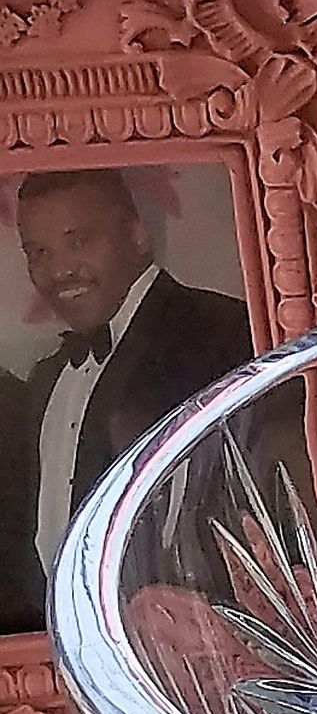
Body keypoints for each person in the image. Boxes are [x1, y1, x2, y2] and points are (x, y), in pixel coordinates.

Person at [0, 168, 255, 632]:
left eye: (79, 241)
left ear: (138, 236)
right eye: (38, 252)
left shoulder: (222, 333)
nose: (58, 270)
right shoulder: (47, 380)